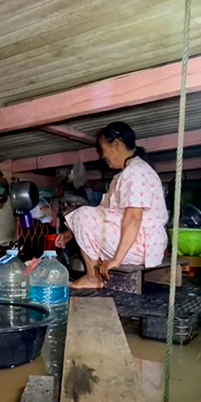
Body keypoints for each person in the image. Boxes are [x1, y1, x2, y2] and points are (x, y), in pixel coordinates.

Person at [56, 122, 168, 289]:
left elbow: (134, 218)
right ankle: (94, 275)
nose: (102, 156)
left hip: (142, 247)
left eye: (102, 150)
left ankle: (93, 278)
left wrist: (116, 260)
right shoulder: (124, 175)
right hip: (141, 245)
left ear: (115, 145)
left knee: (82, 214)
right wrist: (72, 231)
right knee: (84, 215)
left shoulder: (136, 172)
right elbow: (103, 213)